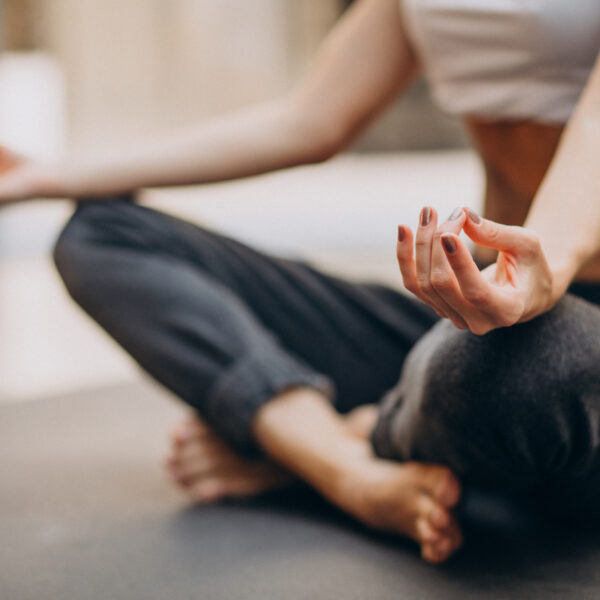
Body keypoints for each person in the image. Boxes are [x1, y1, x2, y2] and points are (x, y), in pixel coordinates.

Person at [2, 0, 600, 564]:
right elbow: (311, 119)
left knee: (519, 368)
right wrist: (42, 176)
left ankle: (306, 444)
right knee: (102, 235)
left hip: (555, 334)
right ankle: (344, 466)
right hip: (480, 318)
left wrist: (536, 276)